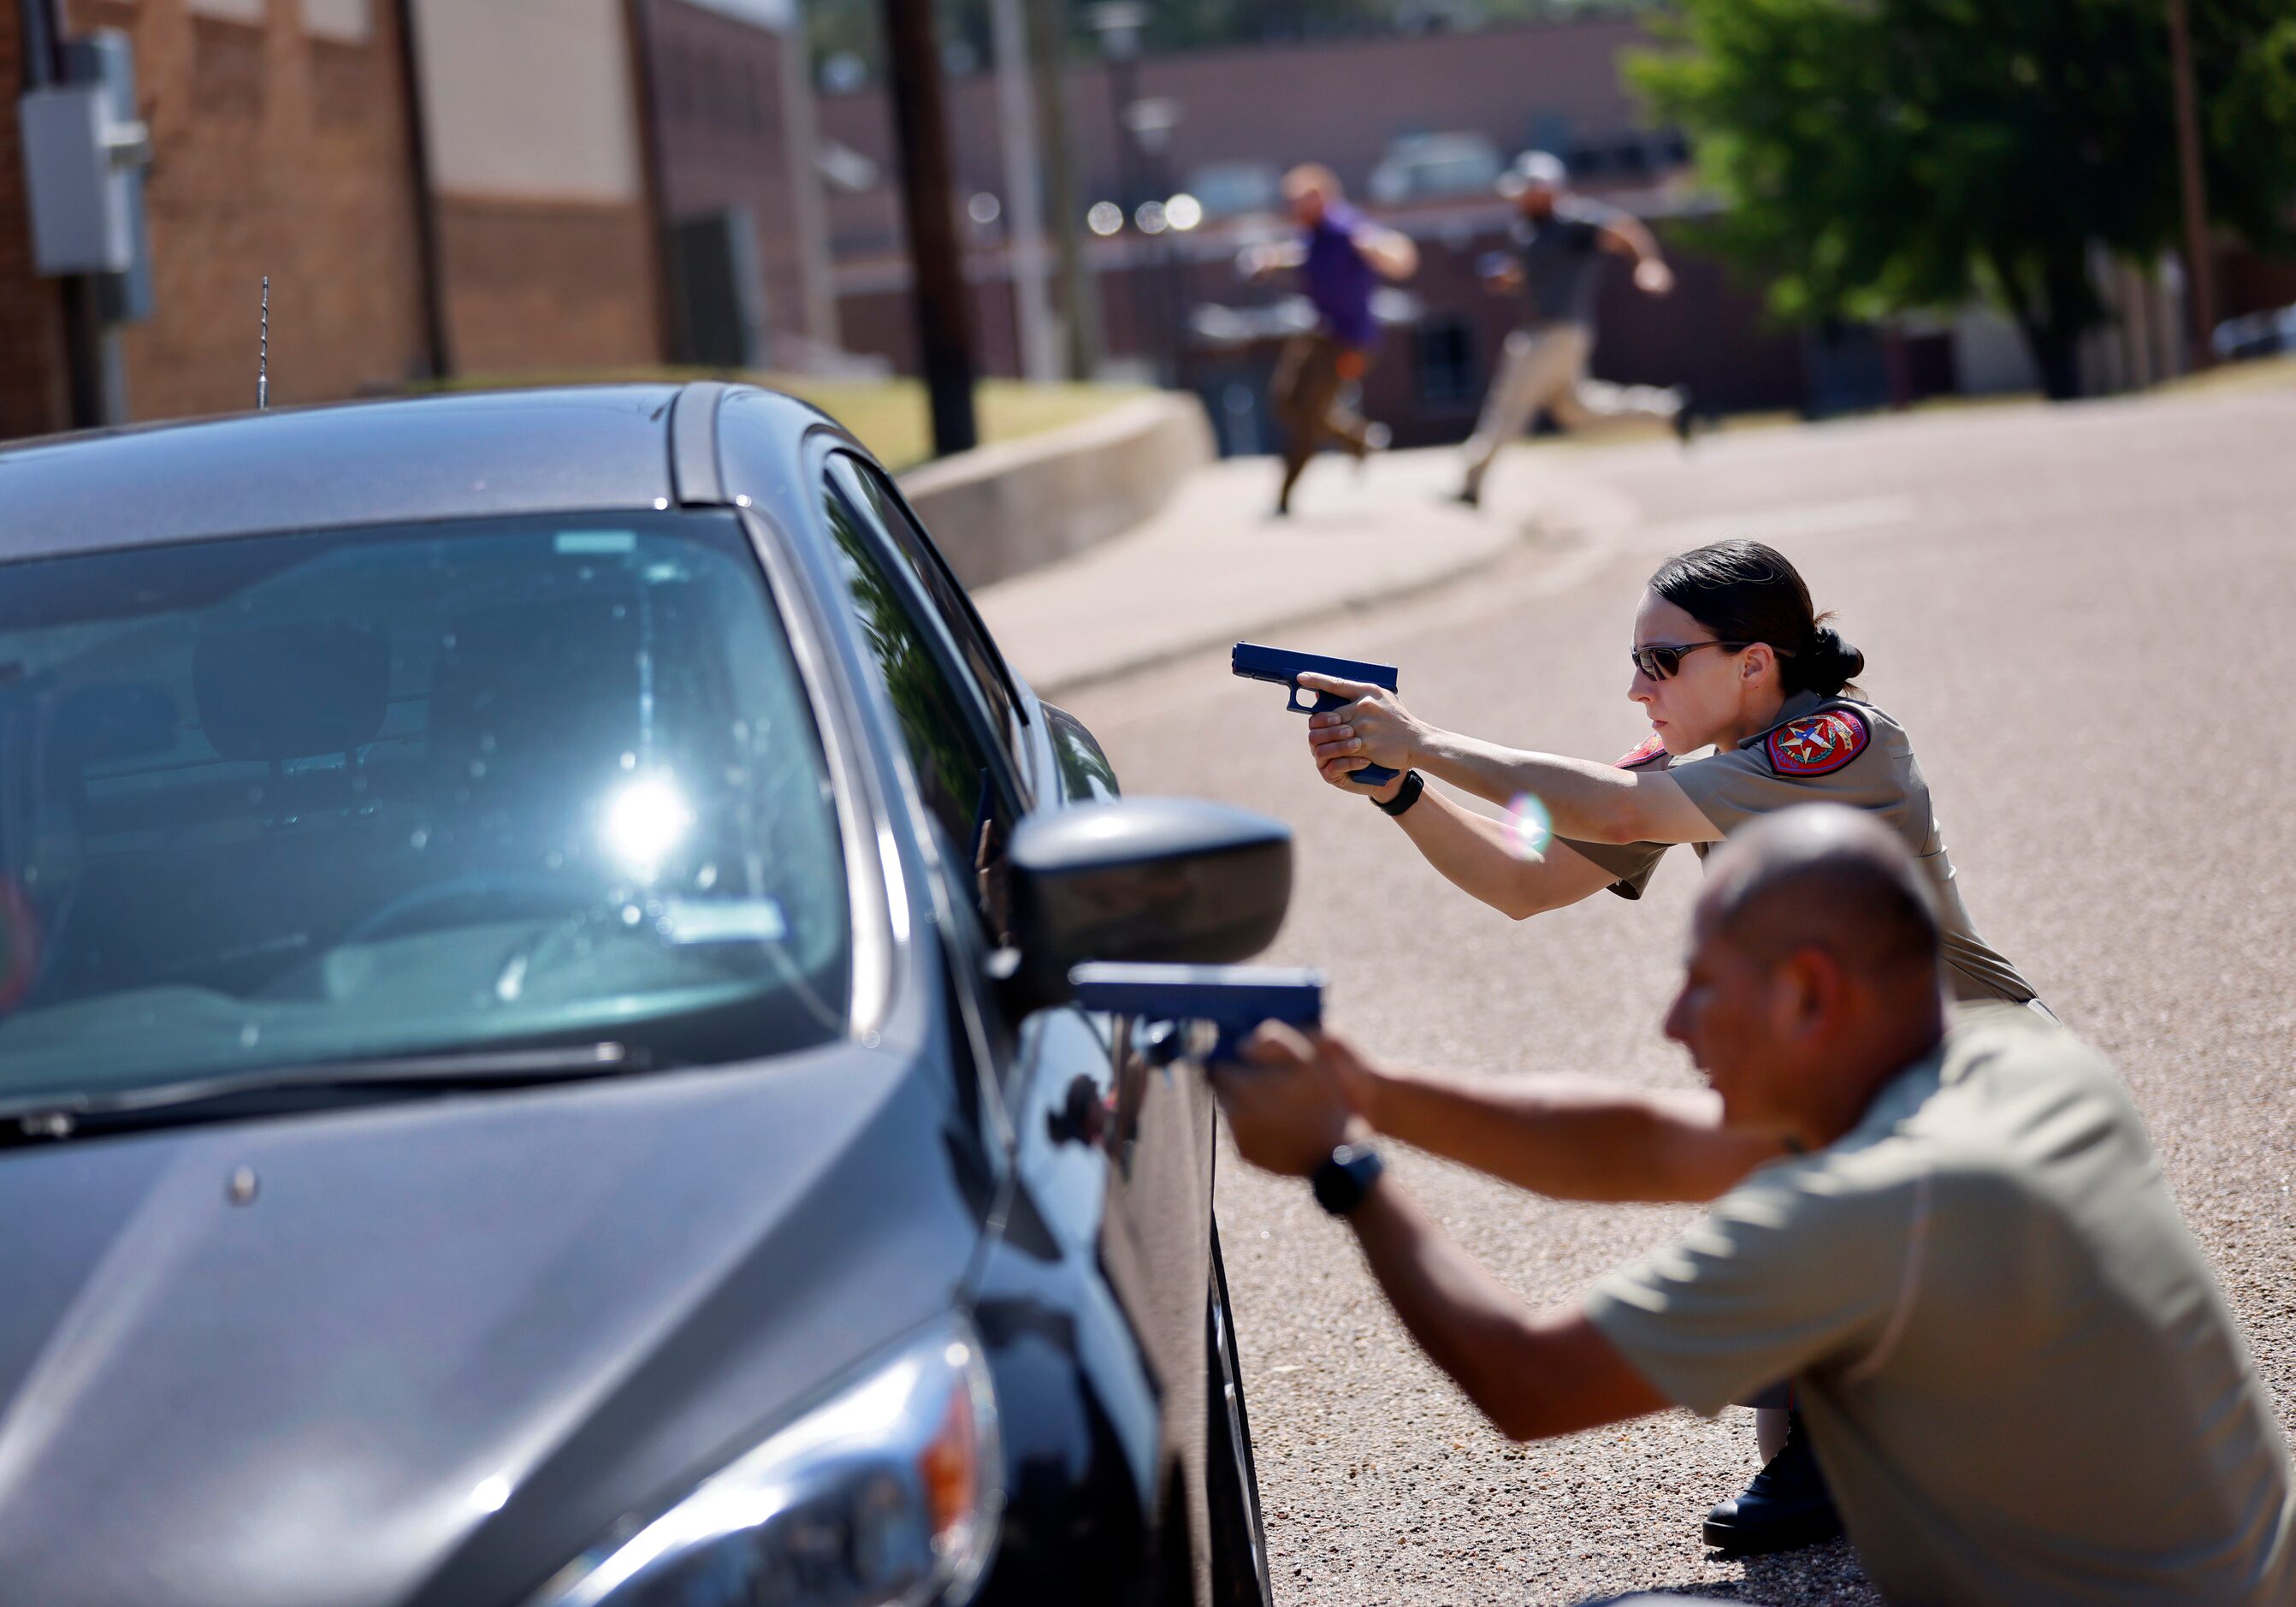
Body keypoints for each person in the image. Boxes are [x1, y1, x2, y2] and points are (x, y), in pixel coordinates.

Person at [1212, 807, 2296, 1605]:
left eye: (1703, 986)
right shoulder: (2014, 1066)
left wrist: (1342, 1166)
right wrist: (1374, 1093)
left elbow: (1526, 1380)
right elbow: (1636, 1143)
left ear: (1810, 994)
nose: (1673, 1024)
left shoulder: (1875, 1211)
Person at [1296, 537, 2039, 1552]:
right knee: (1787, 1435)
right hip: (1856, 1102)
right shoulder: (1696, 775)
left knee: (1813, 1372)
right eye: (1634, 659)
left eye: (1660, 661)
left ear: (1754, 662)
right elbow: (1523, 879)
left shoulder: (1839, 740)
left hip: (1983, 1084)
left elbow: (1610, 806)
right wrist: (1400, 791)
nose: (1635, 686)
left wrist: (1420, 740)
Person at [1456, 151, 1689, 509]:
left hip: (1552, 333)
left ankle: (1470, 484)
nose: (1520, 199)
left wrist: (1648, 264)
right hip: (1558, 333)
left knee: (1508, 405)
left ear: (1547, 190)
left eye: (1527, 192)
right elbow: (1540, 276)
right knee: (1576, 409)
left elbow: (1624, 229)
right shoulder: (1530, 230)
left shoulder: (1571, 220)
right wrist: (1513, 279)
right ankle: (1665, 409)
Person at [1239, 164, 1417, 517]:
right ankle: (1357, 438)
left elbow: (1396, 253)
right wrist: (1271, 260)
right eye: (1293, 201)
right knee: (1285, 402)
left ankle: (1285, 497)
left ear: (1324, 198)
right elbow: (1304, 254)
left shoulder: (1346, 226)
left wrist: (1384, 252)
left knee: (1308, 413)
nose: (1296, 208)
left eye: (1303, 200)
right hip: (1318, 333)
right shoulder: (1311, 234)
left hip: (1349, 341)